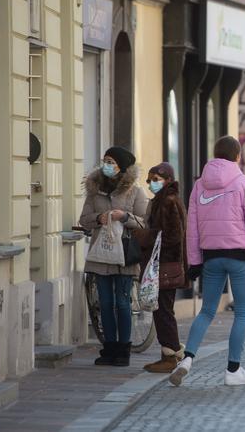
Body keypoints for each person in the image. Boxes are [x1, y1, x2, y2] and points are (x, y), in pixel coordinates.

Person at [170, 136, 245, 386]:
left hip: (211, 255)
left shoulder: (200, 185)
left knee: (207, 310)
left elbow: (193, 227)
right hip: (240, 254)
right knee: (242, 312)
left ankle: (187, 359)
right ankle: (233, 371)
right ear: (237, 156)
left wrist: (195, 261)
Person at [80, 146, 148, 366]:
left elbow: (144, 222)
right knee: (105, 303)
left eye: (111, 162)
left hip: (125, 255)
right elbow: (84, 219)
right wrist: (99, 217)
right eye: (105, 161)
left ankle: (123, 350)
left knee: (122, 302)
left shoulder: (135, 192)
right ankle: (109, 348)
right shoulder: (95, 190)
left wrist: (124, 216)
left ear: (122, 167)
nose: (107, 165)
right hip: (101, 255)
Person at [137, 162, 189, 373]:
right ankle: (170, 352)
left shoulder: (167, 202)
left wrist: (143, 237)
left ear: (167, 180)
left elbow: (173, 236)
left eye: (156, 180)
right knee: (162, 310)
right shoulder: (163, 200)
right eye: (149, 180)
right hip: (163, 264)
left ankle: (171, 355)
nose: (151, 184)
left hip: (166, 265)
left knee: (163, 311)